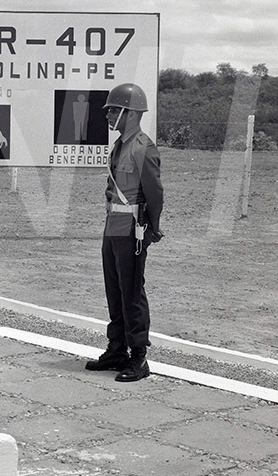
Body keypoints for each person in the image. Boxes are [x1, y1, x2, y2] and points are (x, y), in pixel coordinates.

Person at [85, 83, 163, 382]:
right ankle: (116, 349)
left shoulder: (143, 147)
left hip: (132, 229)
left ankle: (138, 357)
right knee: (114, 291)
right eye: (109, 110)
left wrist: (153, 227)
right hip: (113, 228)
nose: (108, 115)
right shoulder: (120, 145)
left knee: (131, 293)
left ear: (131, 114)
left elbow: (154, 193)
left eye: (114, 110)